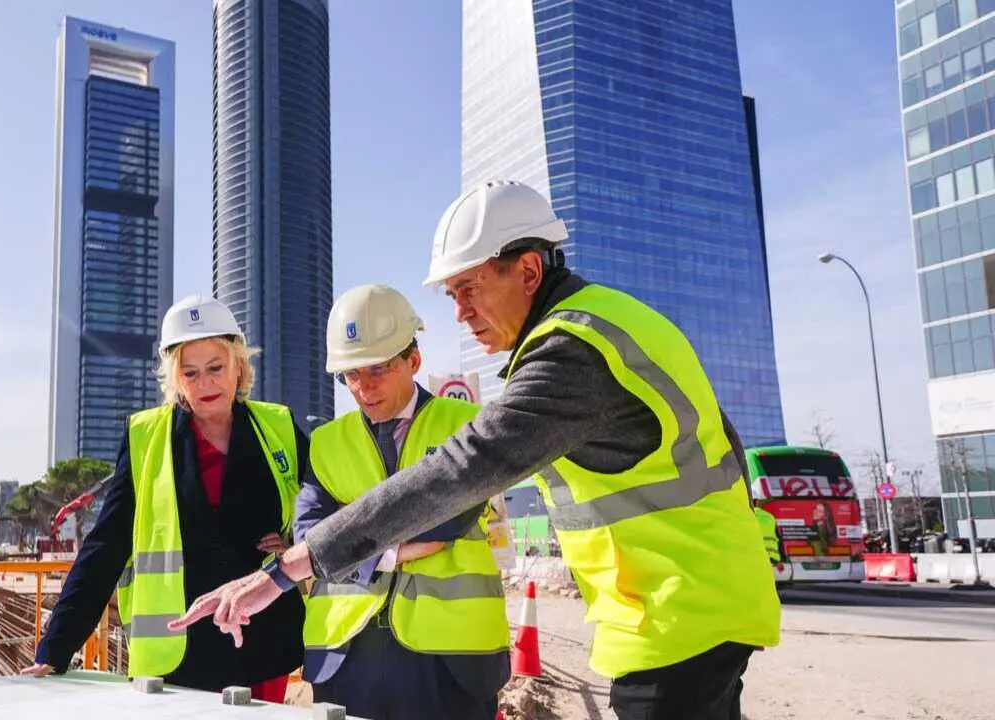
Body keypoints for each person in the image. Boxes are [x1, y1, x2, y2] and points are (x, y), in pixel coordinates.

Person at [171, 180, 782, 720]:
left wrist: (283, 571)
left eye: (469, 289)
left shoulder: (573, 351)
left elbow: (455, 476)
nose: (460, 314)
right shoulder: (615, 324)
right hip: (692, 601)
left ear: (529, 271)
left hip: (677, 612)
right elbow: (721, 445)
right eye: (452, 296)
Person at [22, 294, 306, 702]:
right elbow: (106, 545)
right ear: (175, 379)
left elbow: (324, 502)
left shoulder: (278, 427)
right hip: (181, 651)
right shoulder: (146, 437)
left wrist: (297, 541)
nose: (205, 383)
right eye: (190, 373)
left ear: (239, 367)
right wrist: (55, 649)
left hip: (264, 640)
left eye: (215, 368)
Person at [294, 284, 510, 720]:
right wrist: (393, 554)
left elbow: (446, 520)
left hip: (449, 657)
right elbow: (309, 535)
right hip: (346, 654)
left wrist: (347, 537)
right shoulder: (326, 443)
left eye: (378, 368)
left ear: (414, 360)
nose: (363, 387)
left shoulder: (467, 424)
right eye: (350, 374)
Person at [753, 501, 784, 567]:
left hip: (754, 556)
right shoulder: (770, 517)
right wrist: (782, 559)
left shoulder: (746, 517)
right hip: (772, 558)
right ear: (757, 503)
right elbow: (778, 538)